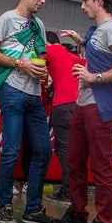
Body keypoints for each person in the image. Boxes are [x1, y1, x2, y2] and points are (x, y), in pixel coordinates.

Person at [54, 0, 112, 223]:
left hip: (101, 106)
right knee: (74, 161)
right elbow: (100, 55)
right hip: (83, 103)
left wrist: (94, 76)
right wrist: (80, 42)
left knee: (101, 167)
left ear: (99, 1)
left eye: (85, 1)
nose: (82, 6)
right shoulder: (98, 31)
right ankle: (78, 213)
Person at [0, 0, 55, 223]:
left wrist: (44, 71)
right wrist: (20, 64)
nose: (43, 0)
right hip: (12, 89)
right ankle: (4, 206)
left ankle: (32, 209)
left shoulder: (39, 25)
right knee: (12, 151)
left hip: (34, 94)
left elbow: (40, 54)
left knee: (44, 150)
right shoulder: (7, 19)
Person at [43, 31, 82, 203]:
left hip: (62, 105)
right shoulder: (72, 57)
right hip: (76, 105)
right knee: (64, 149)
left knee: (63, 150)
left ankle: (68, 192)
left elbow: (33, 60)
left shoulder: (49, 50)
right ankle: (70, 189)